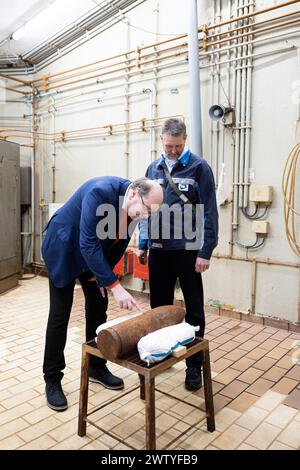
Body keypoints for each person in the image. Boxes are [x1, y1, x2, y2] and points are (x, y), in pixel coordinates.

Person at [42, 176, 163, 411]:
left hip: (93, 256)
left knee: (98, 309)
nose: (147, 216)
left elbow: (118, 244)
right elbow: (87, 242)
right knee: (60, 315)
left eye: (152, 212)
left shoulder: (134, 209)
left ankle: (96, 366)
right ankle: (52, 379)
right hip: (64, 248)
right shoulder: (100, 193)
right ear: (134, 195)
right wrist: (116, 287)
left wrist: (103, 277)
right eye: (147, 209)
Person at [139, 118, 218, 391]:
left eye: (178, 145)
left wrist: (206, 250)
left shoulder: (199, 167)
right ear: (161, 140)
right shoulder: (153, 167)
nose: (172, 150)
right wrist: (143, 242)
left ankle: (193, 366)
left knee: (193, 308)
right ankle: (162, 354)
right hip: (159, 251)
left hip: (188, 251)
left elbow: (210, 212)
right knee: (159, 308)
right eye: (169, 145)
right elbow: (145, 208)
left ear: (185, 141)